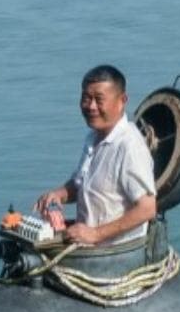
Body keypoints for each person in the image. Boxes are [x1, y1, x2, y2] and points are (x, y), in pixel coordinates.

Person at [33, 65, 157, 246]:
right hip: (85, 246)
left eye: (99, 99)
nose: (91, 106)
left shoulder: (129, 146)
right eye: (86, 98)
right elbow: (80, 183)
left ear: (122, 100)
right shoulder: (93, 137)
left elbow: (147, 209)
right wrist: (59, 195)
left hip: (114, 254)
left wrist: (95, 234)